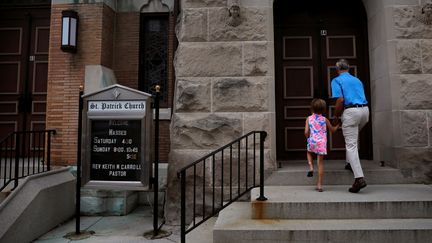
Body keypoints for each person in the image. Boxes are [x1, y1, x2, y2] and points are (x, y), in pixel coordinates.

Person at [331, 58, 369, 193]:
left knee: (351, 144)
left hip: (351, 111)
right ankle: (349, 163)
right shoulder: (357, 80)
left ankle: (359, 178)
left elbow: (340, 99)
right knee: (353, 138)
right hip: (365, 111)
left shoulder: (337, 80)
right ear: (348, 68)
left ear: (337, 69)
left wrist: (336, 116)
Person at [304, 98, 339, 192]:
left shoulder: (309, 118)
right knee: (320, 163)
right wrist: (338, 126)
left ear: (311, 108)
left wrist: (308, 137)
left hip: (312, 140)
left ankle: (311, 166)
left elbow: (306, 131)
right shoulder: (324, 119)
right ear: (324, 109)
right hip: (321, 143)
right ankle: (319, 185)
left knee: (309, 152)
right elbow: (332, 130)